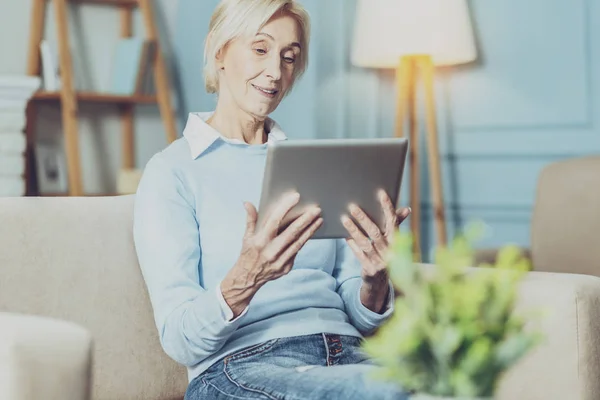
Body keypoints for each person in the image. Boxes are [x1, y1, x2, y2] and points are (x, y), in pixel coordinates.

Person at [133, 0, 412, 398]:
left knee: (444, 384)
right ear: (219, 49)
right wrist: (245, 278)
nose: (275, 71)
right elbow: (179, 340)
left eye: (289, 57)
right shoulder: (172, 172)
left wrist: (375, 279)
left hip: (348, 352)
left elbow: (361, 315)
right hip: (243, 365)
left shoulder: (315, 165)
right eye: (260, 49)